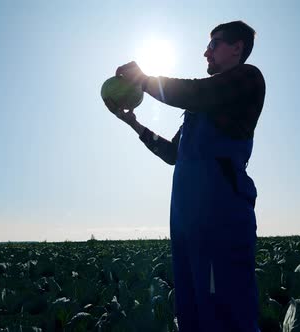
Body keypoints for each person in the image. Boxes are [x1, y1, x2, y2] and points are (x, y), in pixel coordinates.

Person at [104, 20, 266, 332]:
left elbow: (194, 92)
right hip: (186, 222)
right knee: (192, 313)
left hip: (220, 216)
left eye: (214, 44)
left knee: (227, 314)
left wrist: (144, 78)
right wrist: (133, 124)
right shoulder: (200, 108)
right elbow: (172, 155)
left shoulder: (248, 78)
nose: (206, 52)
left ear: (237, 47)